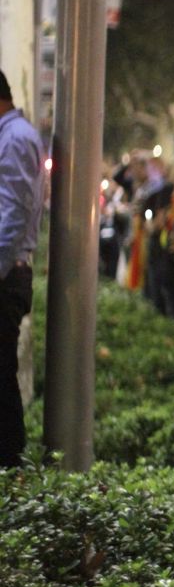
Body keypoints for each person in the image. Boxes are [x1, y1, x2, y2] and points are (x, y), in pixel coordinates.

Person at [0, 69, 44, 468]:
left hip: (6, 274)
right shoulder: (12, 137)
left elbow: (14, 213)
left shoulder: (14, 139)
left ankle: (10, 467)